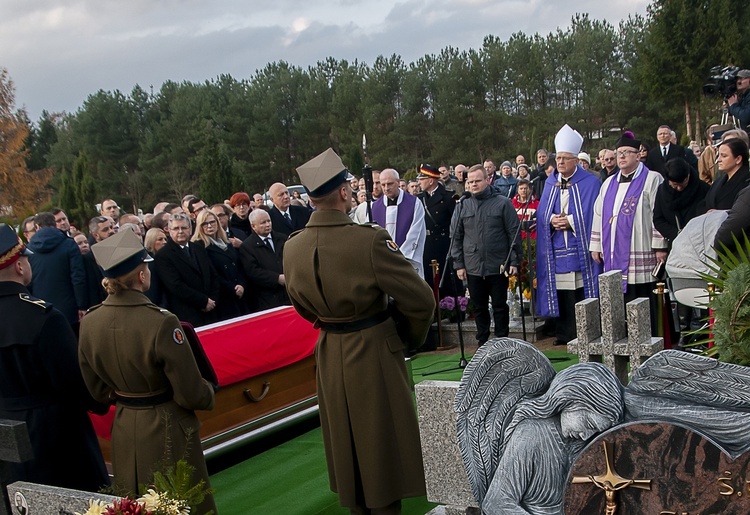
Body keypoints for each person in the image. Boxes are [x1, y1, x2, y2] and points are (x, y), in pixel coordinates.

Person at [284, 148, 435, 514]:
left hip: (330, 352)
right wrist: (404, 338)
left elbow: (302, 307)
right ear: (343, 193)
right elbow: (421, 300)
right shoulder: (368, 240)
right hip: (373, 350)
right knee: (382, 453)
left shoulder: (292, 247)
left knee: (349, 448)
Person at [78, 228, 216, 512]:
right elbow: (190, 392)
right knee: (180, 503)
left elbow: (95, 389)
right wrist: (207, 393)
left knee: (135, 504)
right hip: (166, 426)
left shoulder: (90, 322)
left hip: (125, 426)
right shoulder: (161, 322)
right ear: (142, 276)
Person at [0, 224, 109, 492]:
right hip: (58, 437)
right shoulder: (43, 317)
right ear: (19, 266)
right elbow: (75, 384)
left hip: (6, 439)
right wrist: (101, 400)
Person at [536, 125, 603, 346]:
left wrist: (571, 221)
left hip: (579, 246)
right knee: (562, 291)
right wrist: (551, 220)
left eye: (566, 158)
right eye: (559, 158)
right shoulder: (549, 183)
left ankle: (585, 332)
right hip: (557, 246)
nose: (561, 162)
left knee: (581, 290)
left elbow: (593, 212)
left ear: (576, 160)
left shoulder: (590, 182)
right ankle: (564, 333)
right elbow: (542, 212)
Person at [590, 133, 667, 307]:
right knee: (618, 299)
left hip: (641, 246)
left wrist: (660, 247)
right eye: (619, 153)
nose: (622, 156)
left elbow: (660, 213)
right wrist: (596, 245)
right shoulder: (608, 183)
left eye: (627, 152)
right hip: (613, 250)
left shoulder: (652, 179)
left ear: (638, 155)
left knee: (643, 299)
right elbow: (598, 214)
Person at [451, 164, 522, 345]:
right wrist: (458, 264)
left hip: (498, 264)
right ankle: (482, 343)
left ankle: (502, 342)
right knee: (479, 307)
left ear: (487, 180)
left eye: (477, 181)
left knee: (499, 306)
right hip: (473, 266)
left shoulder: (503, 203)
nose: (473, 184)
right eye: (470, 181)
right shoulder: (463, 205)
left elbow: (513, 234)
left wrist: (514, 261)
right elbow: (456, 237)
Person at [154, 213, 220, 328]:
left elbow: (213, 275)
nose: (180, 231)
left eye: (184, 228)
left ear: (190, 229)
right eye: (176, 228)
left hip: (211, 310)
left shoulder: (198, 248)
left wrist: (213, 300)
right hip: (188, 314)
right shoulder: (163, 255)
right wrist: (203, 301)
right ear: (169, 231)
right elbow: (175, 285)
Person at [27, 212, 87, 326]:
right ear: (55, 224)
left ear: (37, 227)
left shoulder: (29, 250)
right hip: (69, 308)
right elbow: (78, 277)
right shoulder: (68, 244)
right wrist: (82, 305)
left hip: (41, 308)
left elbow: (28, 281)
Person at [192, 210, 246, 321]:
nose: (209, 226)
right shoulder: (199, 246)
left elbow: (239, 265)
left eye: (212, 222)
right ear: (199, 226)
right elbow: (211, 273)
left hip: (239, 293)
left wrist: (241, 284)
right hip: (223, 297)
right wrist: (232, 288)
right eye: (205, 224)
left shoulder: (227, 242)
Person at [372, 168, 426, 277]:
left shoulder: (414, 203)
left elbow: (415, 232)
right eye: (383, 185)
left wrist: (399, 257)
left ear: (398, 182)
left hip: (406, 261)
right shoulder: (375, 207)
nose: (386, 188)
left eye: (390, 184)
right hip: (384, 262)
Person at [240, 209, 290, 312]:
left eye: (269, 221)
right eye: (263, 223)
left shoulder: (282, 238)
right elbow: (253, 271)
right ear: (253, 226)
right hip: (267, 298)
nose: (268, 224)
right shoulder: (247, 246)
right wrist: (277, 278)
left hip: (289, 293)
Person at [417, 164, 456, 293]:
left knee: (445, 283)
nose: (419, 182)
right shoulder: (419, 199)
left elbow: (455, 224)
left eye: (422, 179)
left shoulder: (448, 197)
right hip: (426, 244)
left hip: (443, 245)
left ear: (431, 180)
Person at [703, 138, 750, 212]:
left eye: (724, 156)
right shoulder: (718, 181)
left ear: (738, 159)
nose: (718, 160)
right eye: (718, 155)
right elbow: (705, 203)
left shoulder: (747, 182)